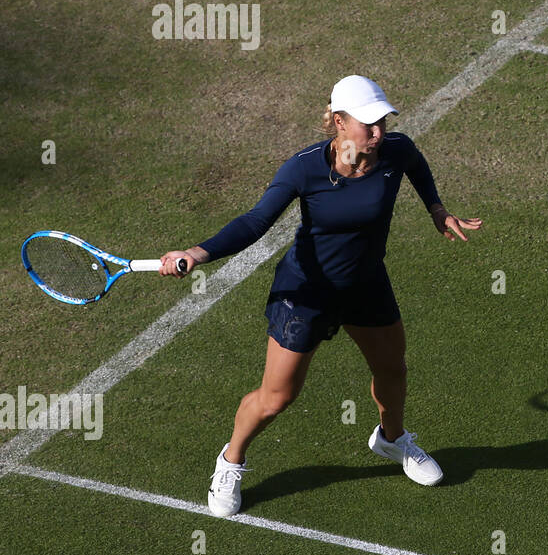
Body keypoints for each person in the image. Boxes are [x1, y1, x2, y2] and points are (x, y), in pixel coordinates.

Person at [159, 75, 481, 516]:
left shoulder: (395, 151)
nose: (378, 133)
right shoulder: (305, 168)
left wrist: (436, 209)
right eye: (367, 124)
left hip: (366, 284)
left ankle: (392, 440)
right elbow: (255, 222)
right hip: (307, 293)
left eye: (382, 122)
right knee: (277, 398)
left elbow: (417, 167)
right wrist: (197, 253)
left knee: (392, 370)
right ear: (338, 121)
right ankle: (231, 459)